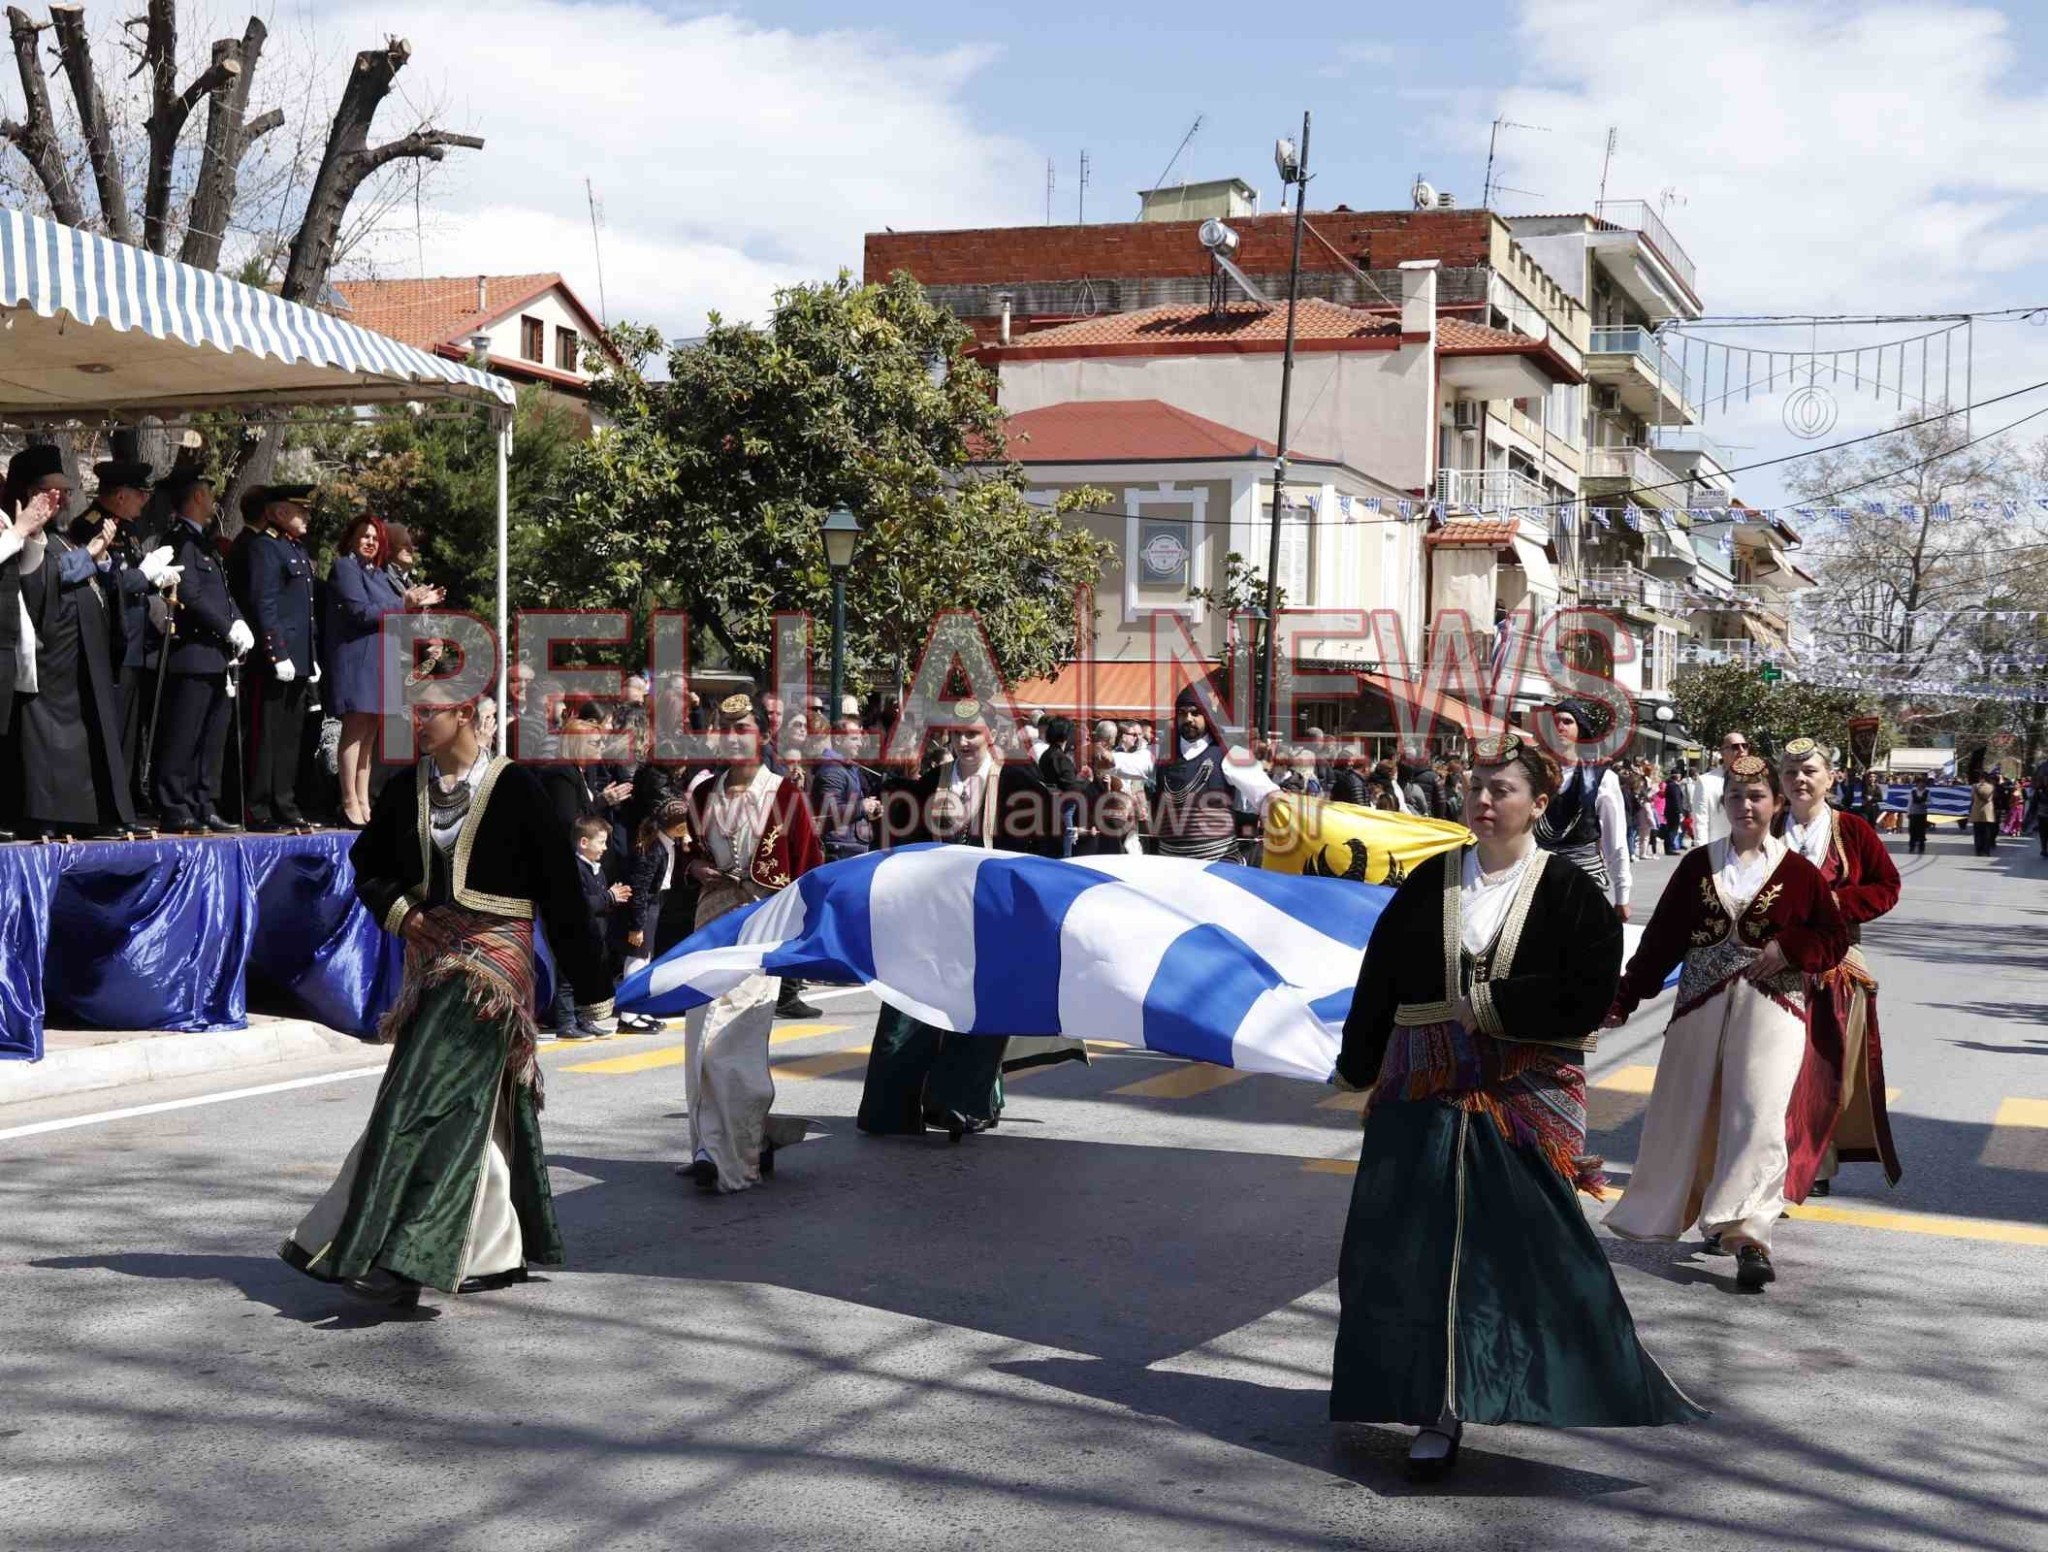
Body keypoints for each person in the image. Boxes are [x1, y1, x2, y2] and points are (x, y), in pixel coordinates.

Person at [1331, 732, 1703, 1477]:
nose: (1483, 800)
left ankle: (1539, 1385)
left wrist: (1495, 1006)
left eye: (1501, 790)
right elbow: (1379, 979)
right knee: (1407, 1250)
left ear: (1539, 803)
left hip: (1519, 1096)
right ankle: (1433, 1409)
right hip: (1421, 1093)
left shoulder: (1569, 892)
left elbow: (1592, 988)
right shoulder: (1431, 881)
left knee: (1526, 1254)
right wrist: (1359, 1063)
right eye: (1475, 786)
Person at [278, 685, 613, 1305]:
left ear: (467, 714)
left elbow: (563, 892)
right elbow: (369, 866)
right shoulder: (408, 788)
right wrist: (402, 912)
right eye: (411, 711)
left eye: (428, 711)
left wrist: (594, 990)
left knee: (425, 1094)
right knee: (455, 1103)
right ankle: (485, 1246)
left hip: (492, 965)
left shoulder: (516, 788)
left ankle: (403, 1258)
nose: (416, 722)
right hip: (430, 963)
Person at [1604, 755, 1848, 1291]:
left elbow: (1834, 938)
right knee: (1692, 1106)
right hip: (1700, 1006)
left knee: (1758, 1112)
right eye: (1735, 796)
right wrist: (1625, 997)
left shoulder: (1799, 873)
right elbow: (1662, 939)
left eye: (1757, 796)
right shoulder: (1697, 865)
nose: (1745, 806)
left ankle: (1748, 1233)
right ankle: (1699, 1206)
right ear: (1724, 804)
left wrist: (1790, 947)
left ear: (1776, 804)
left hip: (1774, 1008)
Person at [859, 699, 1058, 1139]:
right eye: (957, 734)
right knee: (908, 1010)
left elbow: (1044, 853)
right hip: (934, 919)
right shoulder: (930, 784)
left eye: (973, 733)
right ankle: (891, 1108)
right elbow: (902, 847)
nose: (965, 741)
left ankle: (958, 1104)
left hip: (993, 920)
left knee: (982, 1013)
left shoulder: (1020, 784)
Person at [676, 693, 823, 1191]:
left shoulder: (786, 795)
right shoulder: (702, 795)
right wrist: (696, 867)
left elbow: (808, 866)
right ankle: (707, 1147)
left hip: (760, 926)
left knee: (733, 1042)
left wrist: (806, 936)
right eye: (725, 728)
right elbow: (690, 855)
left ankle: (734, 1154)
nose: (734, 738)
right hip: (710, 922)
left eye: (743, 728)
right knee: (700, 1038)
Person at [1776, 738, 1902, 1202]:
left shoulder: (1851, 829)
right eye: (1790, 772)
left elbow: (1887, 886)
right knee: (1772, 1065)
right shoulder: (1768, 825)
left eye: (1809, 770)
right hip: (1771, 963)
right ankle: (1769, 1158)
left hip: (1836, 965)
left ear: (1830, 777)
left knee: (1824, 1070)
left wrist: (1833, 902)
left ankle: (1818, 1162)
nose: (1799, 780)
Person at [0, 449, 137, 840]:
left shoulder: (59, 537)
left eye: (64, 492)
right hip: (41, 657)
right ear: (30, 493)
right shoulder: (19, 528)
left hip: (71, 658)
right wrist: (87, 556)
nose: (63, 500)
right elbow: (40, 577)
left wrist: (94, 557)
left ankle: (87, 815)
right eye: (53, 492)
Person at [152, 470, 252, 835]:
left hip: (218, 655)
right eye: (209, 493)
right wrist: (227, 627)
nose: (213, 500)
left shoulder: (205, 543)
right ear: (197, 496)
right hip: (193, 651)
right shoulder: (180, 540)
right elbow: (190, 594)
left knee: (211, 738)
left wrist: (240, 623)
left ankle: (202, 802)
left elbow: (223, 596)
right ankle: (174, 804)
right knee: (184, 734)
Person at [228, 485, 320, 832]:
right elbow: (264, 604)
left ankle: (284, 800)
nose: (306, 517)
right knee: (265, 735)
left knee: (289, 736)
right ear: (279, 513)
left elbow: (303, 610)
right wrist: (276, 652)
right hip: (274, 659)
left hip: (297, 656)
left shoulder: (292, 548)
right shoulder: (265, 548)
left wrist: (308, 655)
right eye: (300, 510)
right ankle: (258, 805)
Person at [324, 515, 408, 828]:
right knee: (355, 731)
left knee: (370, 736)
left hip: (378, 661)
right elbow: (361, 611)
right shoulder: (345, 567)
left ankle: (363, 800)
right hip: (357, 660)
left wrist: (413, 602)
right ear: (352, 537)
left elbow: (390, 611)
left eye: (375, 537)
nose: (370, 541)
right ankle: (348, 801)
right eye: (365, 536)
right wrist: (404, 603)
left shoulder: (379, 574)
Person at [1150, 686, 1278, 863]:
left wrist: (1276, 802)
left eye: (1195, 713)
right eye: (1182, 713)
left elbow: (1266, 792)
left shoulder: (1232, 752)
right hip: (1172, 867)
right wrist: (1109, 758)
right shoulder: (1161, 753)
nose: (1188, 719)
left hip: (1217, 865)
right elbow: (1129, 762)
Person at [1533, 699, 1632, 920]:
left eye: (1567, 721)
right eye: (1555, 722)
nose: (1560, 727)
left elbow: (1615, 841)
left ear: (1580, 730)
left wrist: (1622, 894)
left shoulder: (1602, 778)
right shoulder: (1534, 775)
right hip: (1538, 878)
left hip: (1584, 878)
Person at [1696, 732, 1750, 847]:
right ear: (1722, 752)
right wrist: (1702, 854)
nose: (1741, 750)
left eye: (1744, 746)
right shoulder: (1706, 782)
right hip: (1719, 850)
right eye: (1735, 747)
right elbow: (1701, 821)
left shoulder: (1757, 780)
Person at [1970, 769, 1998, 857]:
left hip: (1977, 811)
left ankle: (1978, 850)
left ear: (1979, 778)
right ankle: (1986, 850)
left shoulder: (1974, 786)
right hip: (1988, 812)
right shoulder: (1992, 787)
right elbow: (1994, 797)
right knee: (1987, 832)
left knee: (1977, 832)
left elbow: (1972, 798)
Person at [1906, 774, 1931, 855]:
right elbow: (1909, 802)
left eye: (1923, 782)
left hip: (1922, 814)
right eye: (1920, 782)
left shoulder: (1927, 792)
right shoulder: (1913, 791)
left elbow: (1930, 802)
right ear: (1917, 783)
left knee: (1921, 831)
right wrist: (1908, 812)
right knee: (1912, 830)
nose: (1921, 784)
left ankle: (1921, 847)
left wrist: (1925, 802)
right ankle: (1911, 846)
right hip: (1913, 813)